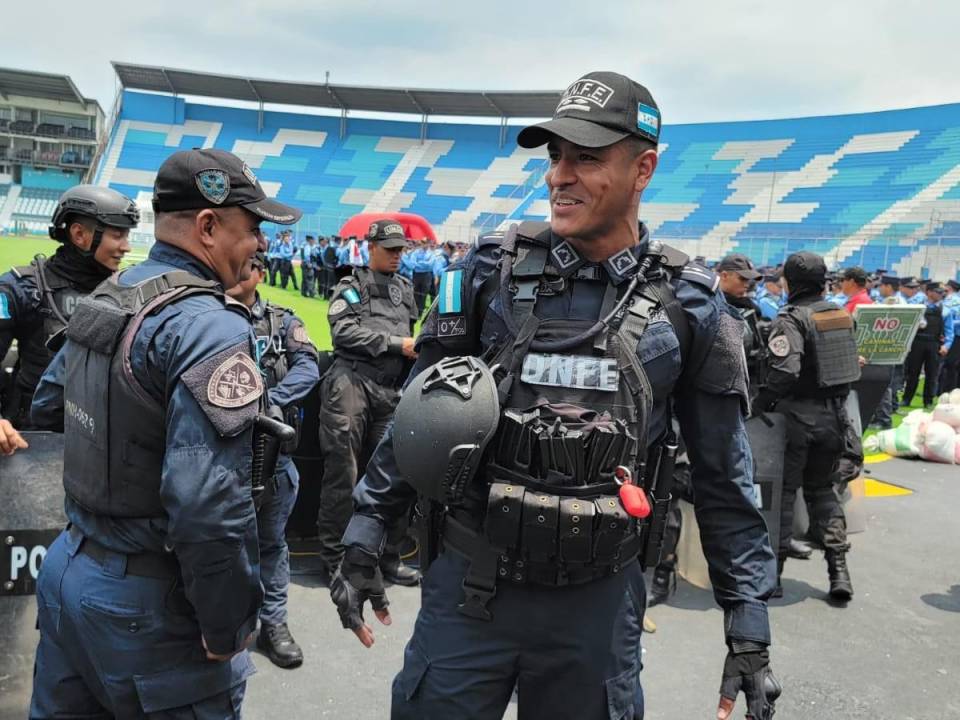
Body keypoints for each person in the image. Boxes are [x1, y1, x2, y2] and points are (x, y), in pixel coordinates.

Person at [330, 71, 779, 720]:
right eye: (554, 156)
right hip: (470, 592)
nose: (558, 175)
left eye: (587, 158)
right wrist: (366, 532)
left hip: (596, 609)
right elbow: (419, 413)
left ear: (643, 168)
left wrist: (749, 621)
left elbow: (722, 474)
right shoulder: (488, 271)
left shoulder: (692, 305)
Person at [27, 148, 302, 717]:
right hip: (151, 606)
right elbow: (209, 504)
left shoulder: (110, 294)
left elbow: (50, 405)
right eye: (252, 229)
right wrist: (227, 624)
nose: (260, 245)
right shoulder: (211, 324)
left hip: (68, 571)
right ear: (207, 226)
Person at [317, 219, 421, 587]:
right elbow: (343, 332)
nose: (396, 256)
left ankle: (386, 558)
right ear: (371, 247)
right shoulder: (352, 286)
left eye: (400, 250)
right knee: (342, 474)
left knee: (392, 478)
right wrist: (397, 345)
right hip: (352, 383)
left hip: (390, 390)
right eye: (390, 249)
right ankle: (334, 559)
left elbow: (411, 332)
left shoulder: (405, 289)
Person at [227, 251, 320, 668]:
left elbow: (308, 366)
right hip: (219, 457)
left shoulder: (281, 322)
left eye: (243, 268)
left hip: (272, 459)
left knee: (271, 545)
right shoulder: (204, 315)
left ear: (259, 274)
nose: (232, 274)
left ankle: (274, 624)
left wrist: (270, 404)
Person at [753, 251, 861, 602]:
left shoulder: (792, 318)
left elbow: (786, 370)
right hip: (834, 419)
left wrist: (762, 400)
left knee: (783, 496)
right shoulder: (841, 315)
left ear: (790, 282)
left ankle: (775, 575)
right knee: (823, 492)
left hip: (797, 418)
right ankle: (838, 570)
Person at [0, 184, 138, 456]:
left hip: (106, 446)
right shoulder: (20, 289)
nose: (127, 247)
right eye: (118, 235)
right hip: (30, 441)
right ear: (79, 234)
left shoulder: (131, 293)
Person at [902, 282, 954, 409]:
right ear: (929, 292)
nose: (941, 294)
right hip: (917, 343)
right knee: (912, 373)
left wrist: (946, 345)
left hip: (934, 344)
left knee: (932, 374)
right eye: (938, 292)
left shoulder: (946, 310)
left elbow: (949, 331)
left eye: (942, 292)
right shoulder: (918, 307)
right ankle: (907, 399)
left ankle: (928, 401)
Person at [939, 279, 960, 393]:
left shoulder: (951, 300)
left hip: (955, 336)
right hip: (954, 335)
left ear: (949, 288)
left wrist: (950, 323)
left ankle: (947, 390)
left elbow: (947, 318)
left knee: (949, 364)